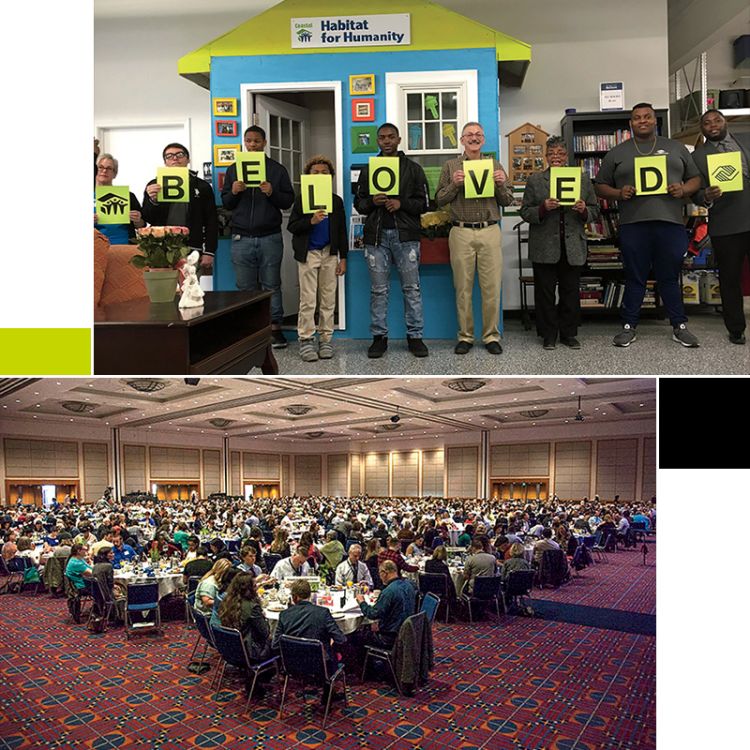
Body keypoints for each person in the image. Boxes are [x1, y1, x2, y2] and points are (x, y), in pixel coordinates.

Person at [594, 103, 701, 348]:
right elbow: (599, 185)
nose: (642, 121)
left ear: (655, 121)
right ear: (630, 123)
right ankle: (629, 326)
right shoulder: (617, 152)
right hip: (634, 224)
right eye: (636, 118)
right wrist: (619, 193)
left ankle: (679, 326)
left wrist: (683, 189)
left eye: (647, 117)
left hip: (670, 223)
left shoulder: (676, 148)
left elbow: (696, 179)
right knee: (635, 277)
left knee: (669, 276)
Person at [436, 121, 513, 355]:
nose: (474, 138)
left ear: (484, 139)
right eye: (469, 134)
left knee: (491, 287)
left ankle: (491, 336)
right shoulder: (450, 166)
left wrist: (501, 184)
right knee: (463, 287)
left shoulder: (495, 164)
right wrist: (454, 185)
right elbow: (439, 199)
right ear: (462, 140)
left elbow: (508, 200)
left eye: (478, 134)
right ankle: (465, 336)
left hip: (490, 230)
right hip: (461, 231)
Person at [355, 123, 429, 359]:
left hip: (406, 236)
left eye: (390, 137)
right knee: (378, 290)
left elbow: (425, 203)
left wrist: (401, 204)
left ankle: (415, 337)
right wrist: (372, 203)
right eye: (382, 138)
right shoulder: (369, 170)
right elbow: (359, 203)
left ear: (399, 140)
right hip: (376, 237)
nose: (386, 141)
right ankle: (379, 338)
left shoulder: (414, 169)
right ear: (378, 141)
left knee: (412, 288)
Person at [520, 136, 600, 349]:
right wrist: (542, 208)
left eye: (560, 154)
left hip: (572, 244)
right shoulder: (536, 180)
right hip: (544, 244)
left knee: (570, 292)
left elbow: (595, 210)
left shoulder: (581, 179)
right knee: (544, 293)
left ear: (567, 156)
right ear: (546, 157)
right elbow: (525, 212)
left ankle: (568, 333)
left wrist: (584, 211)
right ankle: (548, 334)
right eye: (551, 154)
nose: (556, 157)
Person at [221, 126, 295, 349]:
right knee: (244, 286)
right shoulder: (234, 169)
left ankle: (275, 329)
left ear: (264, 143)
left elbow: (288, 201)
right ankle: (249, 330)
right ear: (244, 143)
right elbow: (226, 203)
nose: (252, 145)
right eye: (248, 141)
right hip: (241, 237)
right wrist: (233, 191)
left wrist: (272, 192)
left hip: (270, 236)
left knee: (272, 284)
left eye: (256, 141)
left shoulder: (276, 170)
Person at [692, 109, 750, 344]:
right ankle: (736, 328)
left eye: (717, 120)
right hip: (725, 225)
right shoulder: (697, 156)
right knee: (729, 279)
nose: (713, 125)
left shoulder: (744, 141)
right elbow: (694, 194)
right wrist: (705, 195)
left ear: (725, 122)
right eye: (707, 123)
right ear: (702, 129)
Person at [287, 155, 348, 362]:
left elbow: (341, 231)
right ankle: (306, 339)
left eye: (324, 173)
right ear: (308, 176)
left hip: (329, 253)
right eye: (315, 173)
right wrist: (311, 221)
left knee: (328, 298)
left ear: (331, 177)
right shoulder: (301, 200)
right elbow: (292, 226)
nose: (320, 175)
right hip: (308, 254)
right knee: (308, 299)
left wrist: (343, 257)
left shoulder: (335, 201)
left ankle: (326, 339)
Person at [142, 142, 218, 271]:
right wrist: (152, 201)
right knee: (163, 288)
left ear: (188, 159)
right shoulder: (154, 185)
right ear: (165, 162)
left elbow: (211, 220)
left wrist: (209, 251)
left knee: (189, 288)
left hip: (191, 246)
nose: (175, 158)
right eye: (169, 156)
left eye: (180, 155)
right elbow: (147, 217)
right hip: (161, 247)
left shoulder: (202, 186)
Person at [272, 579, 347, 685]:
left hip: (292, 664)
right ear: (310, 595)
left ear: (294, 597)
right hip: (320, 665)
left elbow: (275, 645)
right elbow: (341, 639)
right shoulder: (323, 613)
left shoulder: (284, 615)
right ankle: (328, 692)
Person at [355, 560, 415, 649]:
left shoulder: (389, 592)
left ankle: (365, 662)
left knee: (354, 637)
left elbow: (372, 614)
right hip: (407, 633)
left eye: (380, 574)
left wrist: (362, 602)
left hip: (389, 638)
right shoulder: (409, 585)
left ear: (384, 573)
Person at [218, 573, 271, 667]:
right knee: (279, 641)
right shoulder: (252, 607)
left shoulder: (227, 601)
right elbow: (265, 632)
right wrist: (263, 617)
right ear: (249, 589)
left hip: (229, 649)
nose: (257, 588)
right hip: (251, 653)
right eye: (255, 586)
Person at [93, 153, 145, 245]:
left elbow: (142, 225)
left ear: (115, 174)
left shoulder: (128, 196)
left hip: (124, 246)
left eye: (109, 168)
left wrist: (137, 219)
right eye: (100, 167)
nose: (104, 171)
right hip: (96, 247)